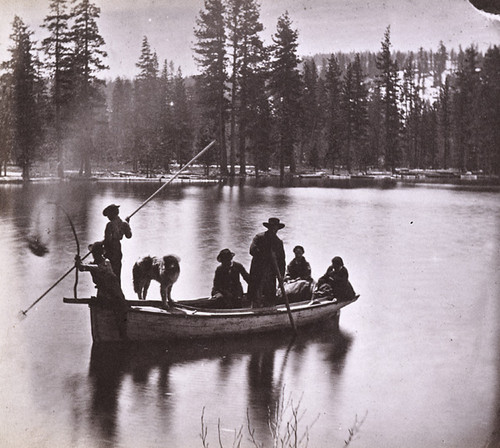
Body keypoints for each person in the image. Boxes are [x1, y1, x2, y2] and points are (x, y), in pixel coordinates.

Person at [75, 240, 129, 339]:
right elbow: (84, 267)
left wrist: (82, 265)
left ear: (101, 253)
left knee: (121, 310)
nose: (95, 256)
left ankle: (123, 335)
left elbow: (95, 268)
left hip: (115, 294)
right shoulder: (93, 263)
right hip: (103, 293)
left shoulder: (105, 263)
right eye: (94, 254)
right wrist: (79, 263)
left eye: (96, 253)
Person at [247, 217, 286, 308]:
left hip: (271, 273)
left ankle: (268, 311)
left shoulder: (278, 242)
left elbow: (281, 261)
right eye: (272, 227)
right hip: (258, 271)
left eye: (275, 228)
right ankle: (255, 309)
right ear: (268, 228)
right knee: (256, 293)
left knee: (270, 296)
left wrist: (281, 276)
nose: (274, 230)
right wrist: (267, 255)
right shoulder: (259, 237)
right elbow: (252, 250)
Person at [103, 204, 132, 282]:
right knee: (117, 273)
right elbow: (129, 236)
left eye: (108, 215)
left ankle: (109, 293)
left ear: (112, 214)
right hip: (118, 249)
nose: (108, 217)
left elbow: (107, 240)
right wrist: (127, 224)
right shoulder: (124, 223)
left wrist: (97, 245)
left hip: (110, 249)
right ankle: (117, 291)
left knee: (108, 273)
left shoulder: (110, 224)